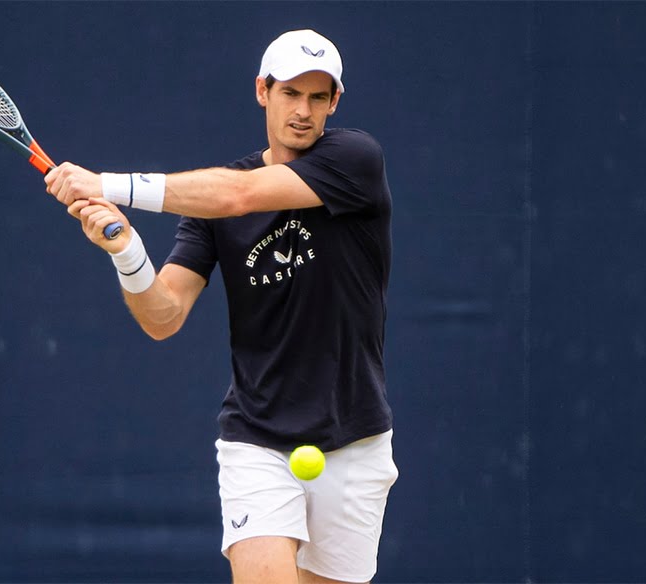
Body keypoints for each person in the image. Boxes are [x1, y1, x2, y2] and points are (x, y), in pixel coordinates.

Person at [45, 29, 398, 584]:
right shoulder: (209, 204)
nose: (302, 111)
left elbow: (243, 195)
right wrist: (127, 251)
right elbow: (163, 318)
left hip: (354, 439)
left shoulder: (356, 160)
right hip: (257, 439)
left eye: (317, 97)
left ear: (335, 102)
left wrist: (106, 184)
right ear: (263, 90)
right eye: (290, 93)